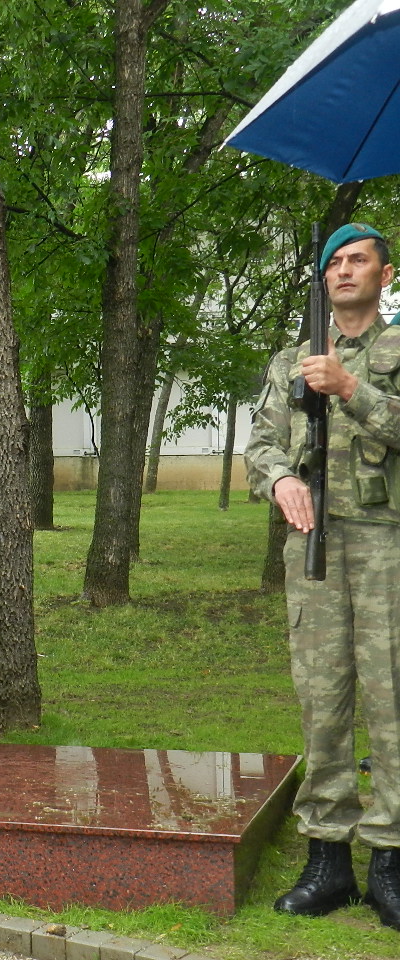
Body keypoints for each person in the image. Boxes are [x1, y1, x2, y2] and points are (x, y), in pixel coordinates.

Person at [246, 222, 400, 930]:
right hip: (314, 549)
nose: (344, 271)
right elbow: (262, 443)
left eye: (357, 260)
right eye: (333, 263)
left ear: (385, 274)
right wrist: (278, 481)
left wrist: (350, 388)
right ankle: (328, 859)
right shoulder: (291, 360)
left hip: (388, 547)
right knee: (323, 698)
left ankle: (391, 861)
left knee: (393, 701)